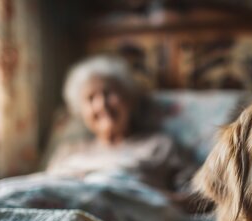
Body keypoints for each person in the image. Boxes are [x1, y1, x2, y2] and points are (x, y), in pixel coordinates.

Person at [47, 54, 195, 192]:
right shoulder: (67, 152)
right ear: (80, 111)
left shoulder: (160, 146)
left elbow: (197, 198)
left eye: (108, 93)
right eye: (90, 98)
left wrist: (151, 199)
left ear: (129, 98)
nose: (101, 105)